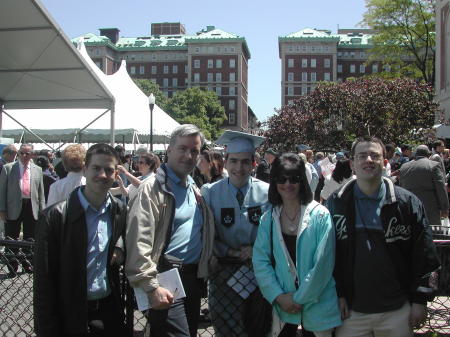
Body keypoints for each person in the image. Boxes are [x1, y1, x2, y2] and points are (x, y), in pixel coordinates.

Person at [326, 136, 440, 337]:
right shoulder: (336, 203)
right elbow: (328, 257)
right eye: (362, 156)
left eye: (374, 155)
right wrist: (338, 294)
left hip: (397, 311)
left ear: (385, 162)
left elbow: (424, 252)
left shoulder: (407, 203)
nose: (368, 160)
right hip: (351, 312)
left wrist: (420, 300)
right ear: (352, 163)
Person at [125, 124, 214, 337]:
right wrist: (151, 286)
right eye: (183, 148)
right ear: (170, 150)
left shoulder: (194, 189)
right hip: (163, 278)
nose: (188, 155)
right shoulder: (152, 188)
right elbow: (139, 240)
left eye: (194, 151)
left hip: (192, 278)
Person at [34, 143, 127, 337]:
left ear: (116, 174)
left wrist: (119, 246)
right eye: (96, 168)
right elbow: (44, 282)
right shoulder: (54, 216)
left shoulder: (118, 210)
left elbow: (125, 236)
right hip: (69, 312)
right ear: (85, 169)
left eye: (109, 170)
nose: (102, 175)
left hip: (108, 310)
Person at [253, 153, 341, 337]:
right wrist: (278, 296)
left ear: (302, 181)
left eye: (294, 178)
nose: (287, 184)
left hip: (317, 303)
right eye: (281, 179)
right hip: (281, 305)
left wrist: (299, 299)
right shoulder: (268, 219)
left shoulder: (320, 215)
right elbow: (261, 261)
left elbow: (322, 265)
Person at [201, 130, 270, 337]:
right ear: (226, 162)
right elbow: (208, 235)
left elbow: (273, 232)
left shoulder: (268, 193)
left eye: (245, 162)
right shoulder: (211, 193)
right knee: (227, 328)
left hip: (259, 272)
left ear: (253, 164)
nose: (239, 168)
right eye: (234, 161)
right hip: (224, 274)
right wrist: (229, 251)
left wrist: (255, 249)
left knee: (258, 327)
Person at [0, 143, 45, 276]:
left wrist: (43, 210)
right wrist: (1, 209)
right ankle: (12, 267)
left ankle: (28, 265)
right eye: (22, 153)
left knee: (30, 238)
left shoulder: (38, 169)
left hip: (32, 207)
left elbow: (41, 192)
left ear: (32, 155)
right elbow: (2, 191)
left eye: (27, 153)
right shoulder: (8, 168)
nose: (24, 156)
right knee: (11, 238)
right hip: (12, 207)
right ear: (18, 154)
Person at [399, 145, 449, 227]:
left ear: (415, 154)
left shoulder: (404, 167)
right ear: (428, 154)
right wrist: (445, 208)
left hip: (408, 208)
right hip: (429, 208)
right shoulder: (434, 165)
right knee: (430, 235)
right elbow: (441, 188)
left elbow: (400, 189)